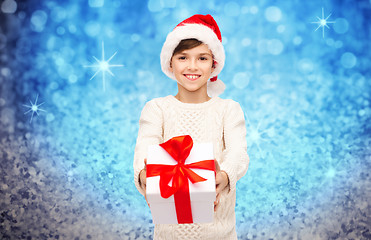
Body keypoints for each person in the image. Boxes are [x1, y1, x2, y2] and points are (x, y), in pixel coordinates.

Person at [133, 14, 249, 240]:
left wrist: (224, 176)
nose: (192, 66)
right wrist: (144, 173)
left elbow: (238, 153)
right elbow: (145, 146)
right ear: (170, 62)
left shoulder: (228, 109)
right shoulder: (157, 109)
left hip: (219, 235)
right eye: (183, 57)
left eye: (202, 58)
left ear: (214, 64)